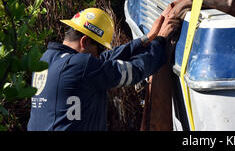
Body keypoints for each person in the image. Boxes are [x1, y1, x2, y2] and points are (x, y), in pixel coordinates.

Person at [27, 7, 181, 131]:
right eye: (99, 49)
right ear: (85, 41)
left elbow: (104, 59)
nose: (99, 54)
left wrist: (145, 39)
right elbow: (136, 71)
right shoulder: (80, 66)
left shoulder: (46, 60)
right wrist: (160, 40)